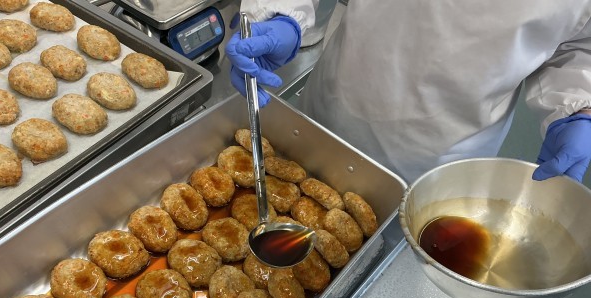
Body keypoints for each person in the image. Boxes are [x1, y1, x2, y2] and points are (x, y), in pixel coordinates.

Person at [226, 0, 591, 184]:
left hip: (443, 160)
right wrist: (281, 12)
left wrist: (579, 107)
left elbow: (579, 44)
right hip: (338, 108)